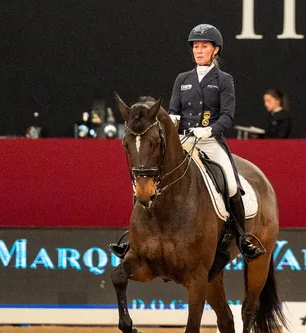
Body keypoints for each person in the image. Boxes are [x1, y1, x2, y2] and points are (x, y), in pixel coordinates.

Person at [110, 24, 264, 261]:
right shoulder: (183, 79)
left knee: (231, 184)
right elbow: (174, 111)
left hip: (211, 142)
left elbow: (227, 116)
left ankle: (242, 237)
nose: (199, 51)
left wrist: (209, 130)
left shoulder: (224, 80)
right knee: (149, 175)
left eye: (204, 47)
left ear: (215, 50)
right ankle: (133, 238)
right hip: (182, 140)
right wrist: (171, 122)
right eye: (195, 47)